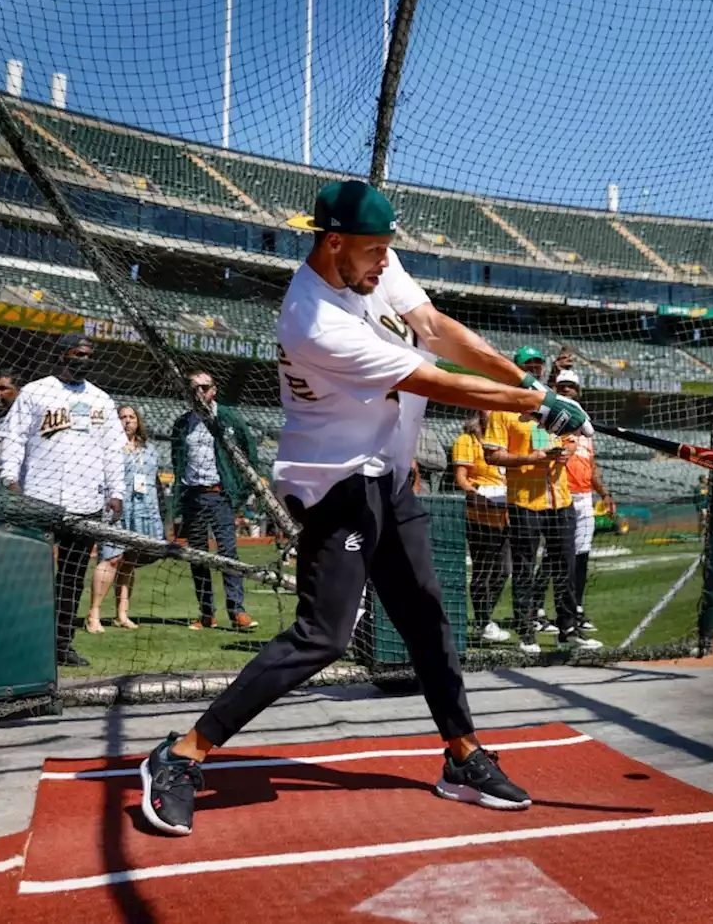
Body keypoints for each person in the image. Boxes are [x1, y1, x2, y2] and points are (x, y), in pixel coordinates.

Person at [139, 180, 593, 837]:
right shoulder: (312, 320)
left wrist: (525, 382)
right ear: (333, 243)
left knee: (429, 619)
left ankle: (462, 756)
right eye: (374, 249)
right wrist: (533, 406)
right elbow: (425, 377)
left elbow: (434, 330)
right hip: (336, 484)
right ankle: (181, 755)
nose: (385, 262)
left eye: (386, 250)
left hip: (389, 477)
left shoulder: (373, 263)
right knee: (322, 636)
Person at [0, 334, 124, 668]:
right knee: (30, 574)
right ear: (61, 355)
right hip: (39, 497)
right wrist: (9, 478)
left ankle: (61, 644)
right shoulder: (37, 391)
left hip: (86, 500)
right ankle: (19, 639)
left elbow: (113, 450)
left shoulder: (101, 399)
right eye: (77, 353)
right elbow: (13, 437)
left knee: (71, 577)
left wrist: (117, 492)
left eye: (88, 354)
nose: (83, 359)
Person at [482, 347, 601, 652]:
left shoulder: (553, 402)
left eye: (537, 365)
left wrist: (566, 451)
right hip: (524, 500)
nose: (534, 370)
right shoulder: (503, 408)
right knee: (524, 566)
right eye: (528, 365)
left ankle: (568, 629)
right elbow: (492, 454)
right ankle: (526, 632)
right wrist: (530, 457)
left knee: (565, 566)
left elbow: (573, 437)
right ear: (517, 368)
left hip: (560, 498)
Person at [170, 370, 260, 632]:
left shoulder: (229, 418)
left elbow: (250, 454)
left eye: (204, 387)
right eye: (194, 388)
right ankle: (207, 613)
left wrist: (240, 492)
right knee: (197, 556)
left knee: (228, 553)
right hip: (193, 496)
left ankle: (237, 612)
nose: (199, 393)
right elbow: (177, 462)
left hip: (220, 494)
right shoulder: (182, 423)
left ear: (214, 390)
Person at [87, 405, 166, 633]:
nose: (127, 421)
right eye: (123, 417)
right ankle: (94, 614)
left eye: (132, 417)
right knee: (111, 558)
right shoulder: (109, 447)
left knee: (130, 559)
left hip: (143, 510)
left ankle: (122, 613)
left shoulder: (149, 448)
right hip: (117, 508)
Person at [555, 370, 611, 631]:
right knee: (554, 556)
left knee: (581, 555)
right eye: (561, 386)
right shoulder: (550, 423)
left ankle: (575, 606)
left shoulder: (587, 431)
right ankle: (539, 610)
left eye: (571, 386)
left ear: (578, 391)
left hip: (585, 498)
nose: (566, 389)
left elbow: (592, 467)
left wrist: (605, 493)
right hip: (558, 496)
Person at [452, 411, 512, 644]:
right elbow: (462, 478)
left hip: (504, 514)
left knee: (504, 570)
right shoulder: (466, 441)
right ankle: (483, 621)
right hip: (479, 515)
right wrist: (474, 493)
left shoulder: (503, 441)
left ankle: (483, 619)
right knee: (483, 570)